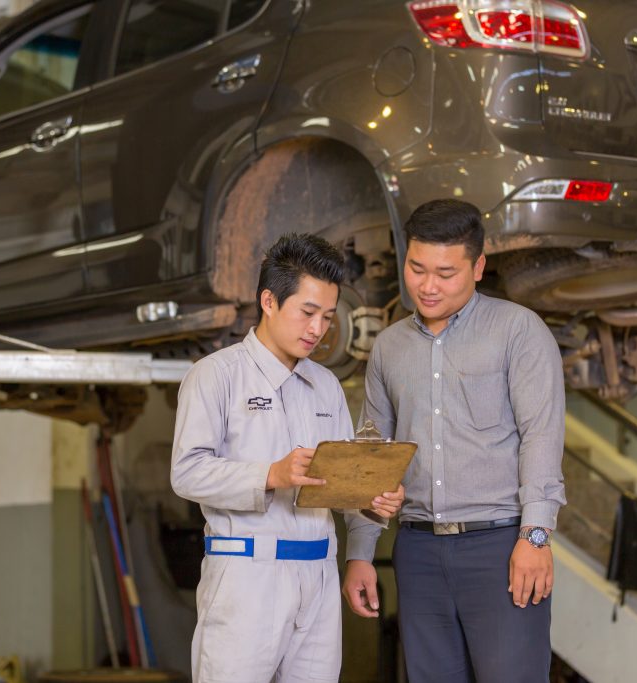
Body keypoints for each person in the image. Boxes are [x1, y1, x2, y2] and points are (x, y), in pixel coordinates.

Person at [343, 199, 566, 683]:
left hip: (500, 547)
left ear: (478, 267)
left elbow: (541, 436)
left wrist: (536, 535)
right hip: (418, 550)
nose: (427, 286)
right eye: (416, 268)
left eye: (445, 273)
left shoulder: (517, 331)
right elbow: (372, 453)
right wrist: (360, 552)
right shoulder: (389, 347)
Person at [171, 233, 405, 683]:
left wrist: (373, 499)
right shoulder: (215, 376)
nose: (318, 329)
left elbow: (344, 481)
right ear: (269, 301)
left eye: (328, 317)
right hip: (246, 576)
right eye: (307, 312)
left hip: (318, 577)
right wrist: (271, 474)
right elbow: (187, 472)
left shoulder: (326, 386)